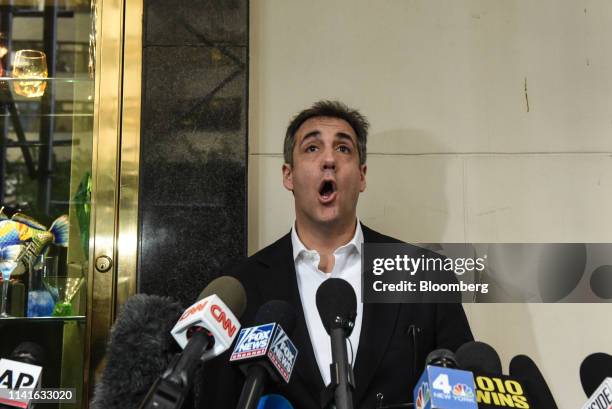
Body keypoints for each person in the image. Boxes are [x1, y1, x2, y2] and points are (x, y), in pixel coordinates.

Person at [202, 100, 473, 409]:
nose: (329, 159)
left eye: (343, 149)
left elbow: (462, 390)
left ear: (361, 176)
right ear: (288, 175)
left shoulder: (423, 272)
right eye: (312, 148)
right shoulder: (241, 286)